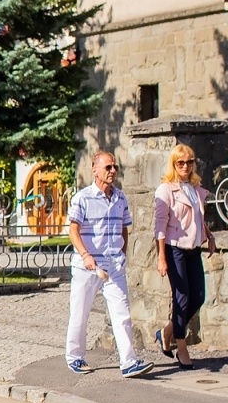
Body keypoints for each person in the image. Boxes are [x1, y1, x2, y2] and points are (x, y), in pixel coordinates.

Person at [65, 151, 153, 378]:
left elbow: (124, 228)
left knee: (122, 313)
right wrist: (85, 255)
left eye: (115, 167)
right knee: (80, 313)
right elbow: (73, 231)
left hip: (114, 266)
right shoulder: (83, 198)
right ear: (95, 170)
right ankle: (75, 357)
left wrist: (122, 254)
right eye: (108, 167)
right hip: (87, 266)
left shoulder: (120, 198)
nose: (113, 171)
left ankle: (129, 362)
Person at [153, 143, 218, 370]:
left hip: (193, 249)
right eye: (180, 163)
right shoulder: (166, 190)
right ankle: (181, 347)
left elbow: (197, 218)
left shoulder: (194, 187)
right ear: (173, 164)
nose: (185, 166)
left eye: (189, 162)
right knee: (181, 297)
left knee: (198, 296)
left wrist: (209, 235)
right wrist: (161, 257)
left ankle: (167, 331)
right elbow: (159, 227)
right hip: (174, 249)